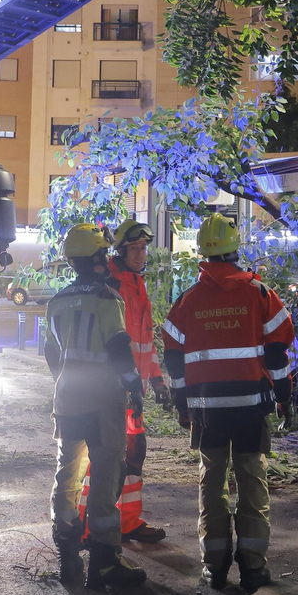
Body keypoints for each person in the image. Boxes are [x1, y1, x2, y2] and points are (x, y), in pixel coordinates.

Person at [162, 214, 294, 592]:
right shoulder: (260, 294)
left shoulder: (187, 300)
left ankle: (215, 567)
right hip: (251, 409)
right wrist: (284, 396)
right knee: (252, 481)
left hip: (207, 412)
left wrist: (181, 404)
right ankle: (253, 567)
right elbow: (278, 352)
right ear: (236, 249)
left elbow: (173, 357)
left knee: (212, 482)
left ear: (203, 253)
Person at [45, 223, 148, 590]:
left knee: (67, 473)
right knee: (105, 477)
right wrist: (134, 388)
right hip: (102, 401)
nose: (107, 258)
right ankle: (104, 566)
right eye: (103, 253)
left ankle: (68, 557)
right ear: (94, 259)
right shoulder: (108, 299)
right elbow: (120, 348)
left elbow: (51, 355)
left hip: (67, 399)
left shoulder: (56, 301)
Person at [83, 219, 170, 544]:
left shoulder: (136, 283)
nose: (140, 253)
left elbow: (145, 342)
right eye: (134, 248)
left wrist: (157, 382)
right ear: (120, 250)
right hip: (113, 390)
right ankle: (88, 527)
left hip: (135, 390)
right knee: (105, 458)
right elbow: (113, 345)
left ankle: (128, 521)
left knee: (134, 455)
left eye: (143, 247)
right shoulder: (111, 286)